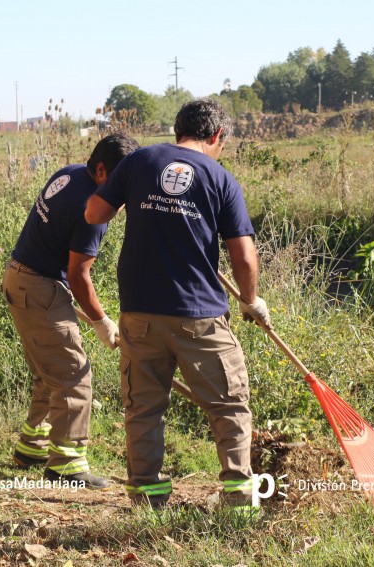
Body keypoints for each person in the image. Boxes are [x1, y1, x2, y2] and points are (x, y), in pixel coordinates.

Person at [85, 99, 272, 508]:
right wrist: (250, 301)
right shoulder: (220, 178)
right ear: (217, 136)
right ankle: (240, 499)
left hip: (140, 313)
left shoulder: (139, 161)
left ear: (177, 131)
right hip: (199, 315)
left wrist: (138, 199)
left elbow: (94, 213)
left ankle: (147, 500)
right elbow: (243, 255)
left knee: (143, 409)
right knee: (229, 404)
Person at [3, 133, 139, 489]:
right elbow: (79, 276)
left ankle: (33, 447)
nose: (123, 195)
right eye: (121, 183)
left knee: (49, 373)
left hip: (21, 278)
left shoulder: (70, 173)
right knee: (73, 376)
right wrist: (102, 321)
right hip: (39, 288)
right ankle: (66, 463)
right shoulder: (93, 211)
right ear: (101, 171)